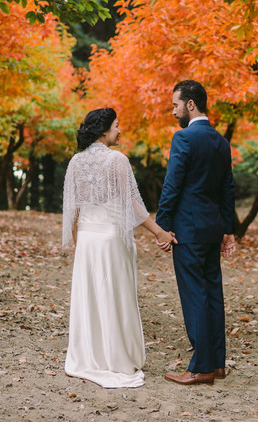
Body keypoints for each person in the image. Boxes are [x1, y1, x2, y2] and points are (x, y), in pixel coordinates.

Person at [62, 107, 176, 388]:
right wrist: (160, 232)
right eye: (116, 125)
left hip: (87, 242)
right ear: (103, 130)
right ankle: (117, 359)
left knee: (92, 299)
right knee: (115, 297)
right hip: (111, 240)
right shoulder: (117, 161)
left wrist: (79, 246)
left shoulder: (75, 162)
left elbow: (72, 212)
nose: (120, 130)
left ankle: (91, 356)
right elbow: (134, 207)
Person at [155, 80, 236, 386]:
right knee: (213, 294)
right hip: (213, 228)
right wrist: (229, 230)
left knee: (195, 297)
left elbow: (172, 184)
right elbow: (228, 189)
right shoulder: (221, 141)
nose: (173, 111)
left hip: (188, 229)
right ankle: (216, 364)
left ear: (191, 104)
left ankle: (201, 367)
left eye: (176, 104)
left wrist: (162, 227)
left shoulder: (184, 138)